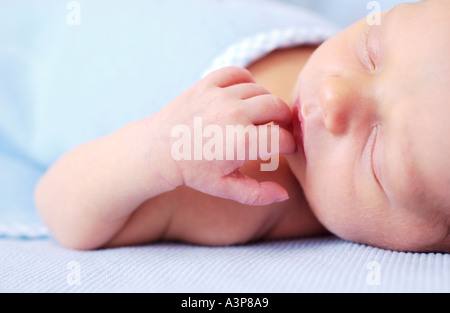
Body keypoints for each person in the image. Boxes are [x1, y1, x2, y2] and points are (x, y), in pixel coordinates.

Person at [34, 0, 450, 253]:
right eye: (370, 51)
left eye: (375, 155)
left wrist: (159, 150)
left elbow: (59, 207)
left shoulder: (239, 184)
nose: (334, 96)